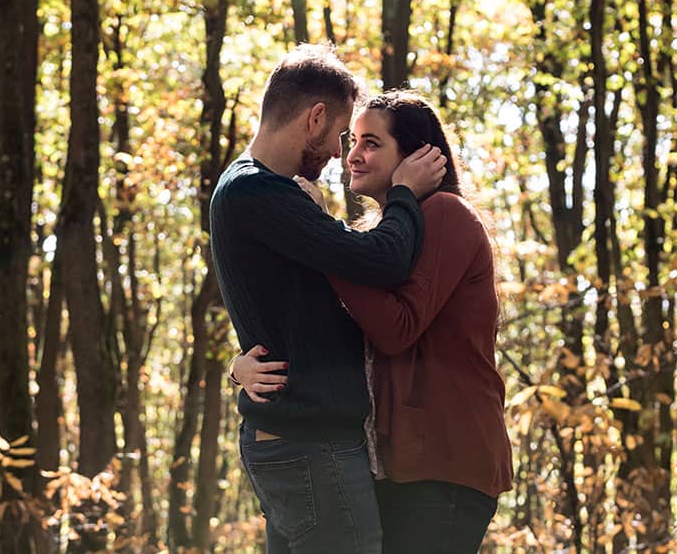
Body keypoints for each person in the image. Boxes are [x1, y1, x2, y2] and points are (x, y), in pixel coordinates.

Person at [234, 91, 514, 554]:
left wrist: (324, 237)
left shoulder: (447, 216)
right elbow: (331, 329)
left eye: (371, 143)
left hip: (445, 465)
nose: (352, 156)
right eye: (352, 141)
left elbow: (397, 328)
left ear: (417, 155)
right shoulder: (376, 238)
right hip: (395, 465)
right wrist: (240, 364)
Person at [209, 45, 447, 553]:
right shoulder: (256, 193)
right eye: (341, 135)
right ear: (315, 118)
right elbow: (381, 260)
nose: (341, 154)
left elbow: (289, 306)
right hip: (309, 445)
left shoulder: (257, 190)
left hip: (295, 440)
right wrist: (404, 193)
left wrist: (236, 368)